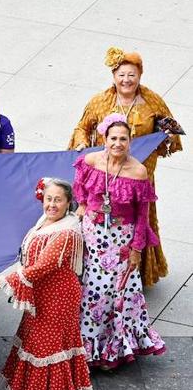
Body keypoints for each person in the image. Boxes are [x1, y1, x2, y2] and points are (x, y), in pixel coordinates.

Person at [70, 46, 184, 287]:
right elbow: (82, 127)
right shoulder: (100, 101)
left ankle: (138, 273)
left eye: (131, 74)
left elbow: (172, 132)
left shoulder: (152, 101)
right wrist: (81, 142)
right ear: (113, 76)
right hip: (106, 175)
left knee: (140, 221)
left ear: (140, 75)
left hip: (138, 176)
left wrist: (166, 138)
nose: (126, 80)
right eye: (121, 74)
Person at [0, 179, 94, 390]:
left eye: (58, 200)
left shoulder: (67, 231)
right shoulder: (45, 223)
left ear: (68, 203)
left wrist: (4, 282)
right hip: (44, 294)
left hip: (57, 296)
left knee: (43, 346)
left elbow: (42, 267)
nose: (52, 204)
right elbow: (27, 259)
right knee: (47, 344)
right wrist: (7, 275)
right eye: (49, 199)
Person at [73, 114, 165, 369]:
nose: (117, 143)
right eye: (113, 138)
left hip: (121, 240)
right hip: (92, 236)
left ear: (130, 141)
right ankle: (87, 348)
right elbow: (79, 186)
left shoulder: (138, 171)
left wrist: (136, 250)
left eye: (123, 139)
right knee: (92, 293)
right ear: (105, 139)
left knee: (118, 294)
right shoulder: (91, 161)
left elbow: (141, 216)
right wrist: (82, 206)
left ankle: (112, 350)